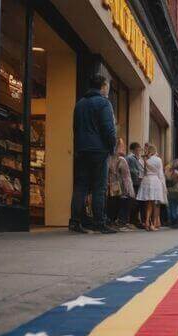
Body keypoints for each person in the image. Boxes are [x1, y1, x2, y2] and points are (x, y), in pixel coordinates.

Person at [69, 74, 117, 234]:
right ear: (103, 86)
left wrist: (78, 148)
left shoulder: (80, 104)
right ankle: (99, 222)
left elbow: (75, 128)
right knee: (99, 187)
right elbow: (109, 130)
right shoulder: (104, 103)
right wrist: (112, 149)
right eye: (107, 85)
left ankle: (75, 222)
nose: (108, 88)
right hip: (99, 151)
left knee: (80, 186)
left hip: (82, 149)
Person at [136, 144, 166, 231]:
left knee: (147, 204)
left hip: (146, 181)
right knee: (154, 204)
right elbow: (160, 174)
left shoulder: (143, 160)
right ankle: (152, 224)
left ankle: (146, 222)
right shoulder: (158, 160)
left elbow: (141, 173)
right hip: (155, 181)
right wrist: (163, 186)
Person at [112, 139, 135, 231]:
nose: (124, 147)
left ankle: (117, 222)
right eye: (122, 145)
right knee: (124, 204)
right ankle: (122, 223)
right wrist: (129, 189)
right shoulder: (121, 159)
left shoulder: (111, 158)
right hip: (122, 186)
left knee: (115, 204)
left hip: (114, 185)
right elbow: (126, 176)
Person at [125, 142, 144, 228]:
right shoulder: (132, 158)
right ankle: (133, 220)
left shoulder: (134, 158)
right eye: (139, 148)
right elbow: (133, 171)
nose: (140, 150)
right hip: (134, 182)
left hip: (134, 182)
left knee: (134, 202)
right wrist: (140, 177)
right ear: (135, 149)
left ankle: (134, 220)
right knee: (134, 202)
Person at [165, 160, 178, 228]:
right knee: (176, 207)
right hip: (176, 192)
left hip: (170, 192)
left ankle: (172, 222)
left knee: (171, 207)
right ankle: (175, 222)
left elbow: (168, 183)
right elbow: (174, 183)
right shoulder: (176, 173)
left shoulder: (168, 174)